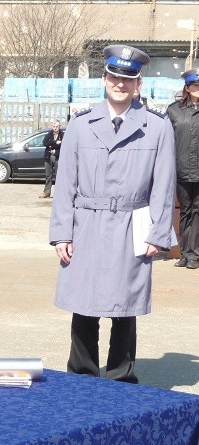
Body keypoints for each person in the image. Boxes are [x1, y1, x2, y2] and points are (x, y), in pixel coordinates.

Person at [49, 45, 175, 384]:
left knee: (125, 305)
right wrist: (62, 232)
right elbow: (65, 184)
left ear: (138, 84)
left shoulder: (157, 128)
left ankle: (121, 376)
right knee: (84, 303)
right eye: (114, 76)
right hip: (87, 222)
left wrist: (158, 233)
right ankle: (82, 375)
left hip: (132, 224)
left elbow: (164, 185)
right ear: (104, 78)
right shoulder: (80, 125)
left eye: (128, 79)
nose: (120, 84)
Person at [166, 68, 199, 269]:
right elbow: (166, 142)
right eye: (196, 85)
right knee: (185, 211)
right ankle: (185, 253)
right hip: (181, 171)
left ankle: (194, 255)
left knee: (197, 211)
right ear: (187, 88)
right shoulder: (174, 111)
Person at [39, 120, 63, 199]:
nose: (55, 128)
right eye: (54, 126)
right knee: (48, 176)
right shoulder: (49, 134)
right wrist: (55, 143)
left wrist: (52, 145)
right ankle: (47, 192)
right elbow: (45, 143)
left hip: (57, 157)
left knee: (59, 175)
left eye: (57, 126)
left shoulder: (62, 135)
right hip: (48, 156)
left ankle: (59, 193)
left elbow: (62, 145)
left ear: (59, 126)